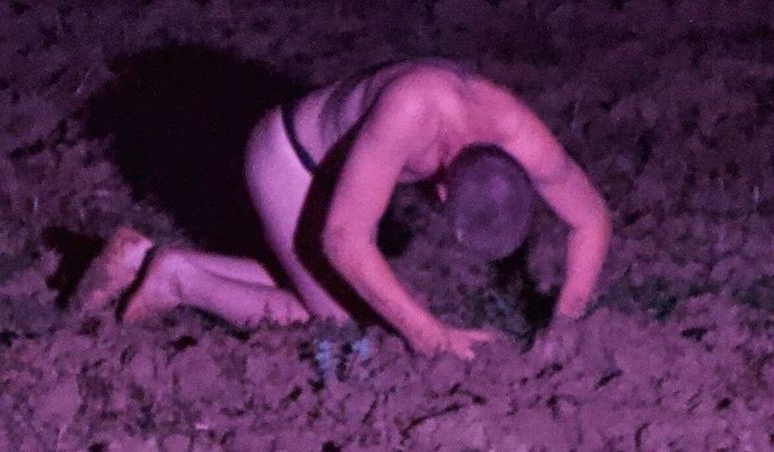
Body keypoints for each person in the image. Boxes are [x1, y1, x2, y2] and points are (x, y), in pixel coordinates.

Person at [85, 58, 610, 361]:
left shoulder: (522, 134)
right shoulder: (413, 109)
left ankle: (147, 260)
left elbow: (591, 219)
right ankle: (181, 281)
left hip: (336, 174)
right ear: (443, 189)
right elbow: (343, 240)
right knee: (339, 324)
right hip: (289, 159)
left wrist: (567, 317)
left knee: (334, 288)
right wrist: (430, 336)